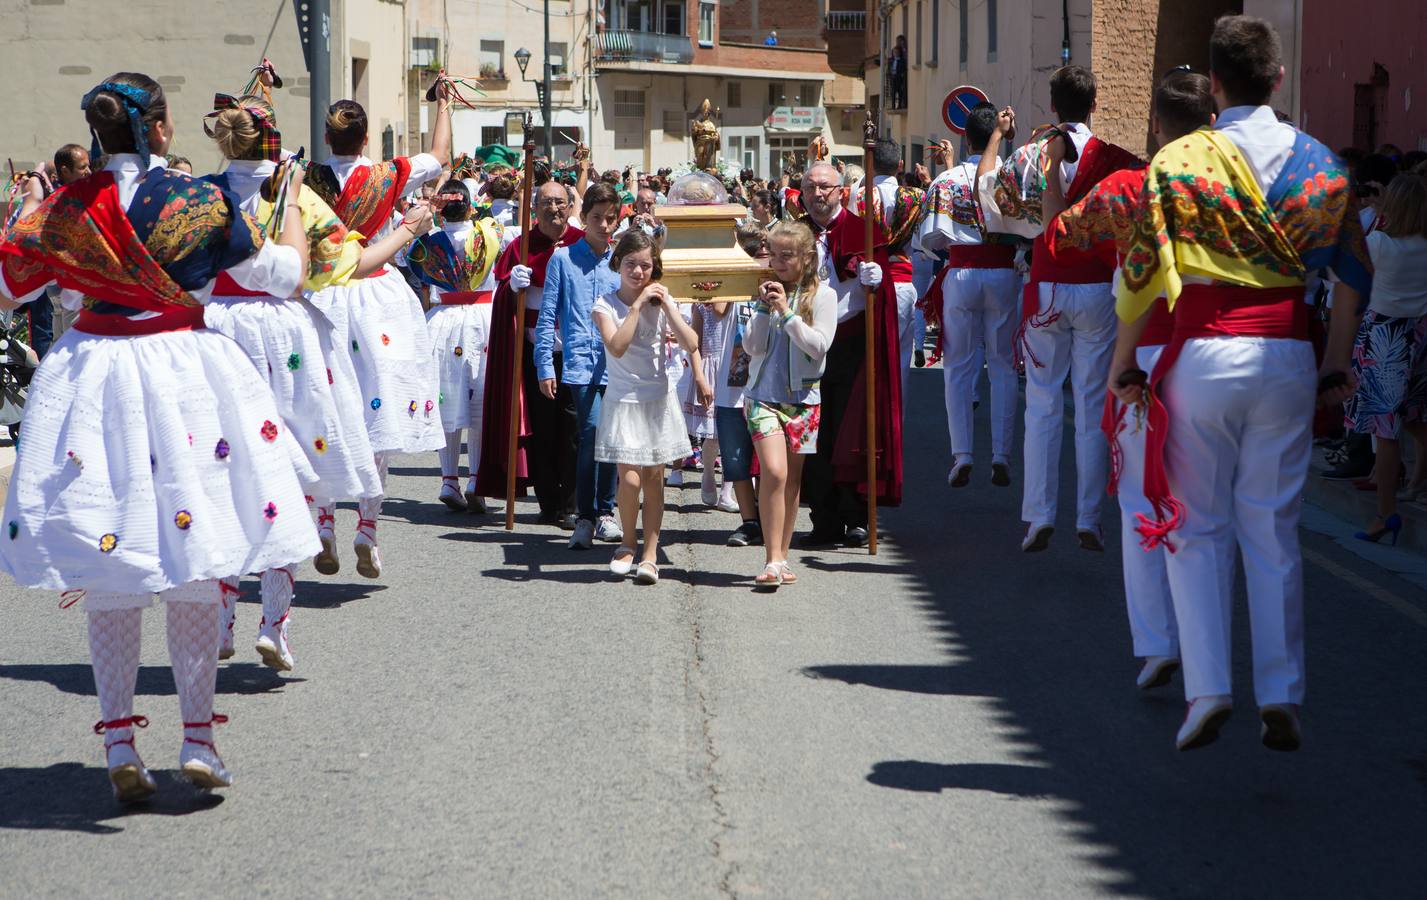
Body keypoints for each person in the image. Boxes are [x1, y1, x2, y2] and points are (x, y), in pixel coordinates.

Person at [0, 73, 314, 800]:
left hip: (92, 379)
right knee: (195, 564)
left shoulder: (66, 206)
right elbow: (284, 276)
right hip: (182, 379)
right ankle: (198, 739)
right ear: (164, 130)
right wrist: (290, 201)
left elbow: (12, 289)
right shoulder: (198, 201)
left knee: (114, 566)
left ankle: (119, 747)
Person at [1109, 15, 1372, 752]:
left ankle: (1207, 691)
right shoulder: (1324, 165)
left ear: (1215, 83)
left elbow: (1137, 277)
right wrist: (1335, 363)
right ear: (1278, 79)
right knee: (1273, 526)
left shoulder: (1178, 160)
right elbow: (1353, 277)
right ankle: (1281, 690)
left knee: (1196, 527)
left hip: (1202, 355)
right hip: (1288, 355)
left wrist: (1122, 363)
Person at [202, 91, 415, 670]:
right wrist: (405, 233)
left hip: (216, 330)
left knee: (224, 474)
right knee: (287, 473)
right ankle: (274, 623)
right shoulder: (294, 197)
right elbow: (351, 266)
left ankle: (222, 616)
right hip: (283, 335)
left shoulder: (203, 195)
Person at [1046, 68, 1216, 691]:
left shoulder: (1126, 188)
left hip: (1143, 354)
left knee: (1140, 498)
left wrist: (1051, 179)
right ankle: (1206, 650)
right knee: (1207, 506)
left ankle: (1157, 642)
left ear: (1155, 125)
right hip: (1214, 353)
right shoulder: (1231, 188)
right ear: (1213, 125)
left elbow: (1058, 240)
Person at [976, 66, 1144, 553]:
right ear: (1094, 104)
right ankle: (1089, 517)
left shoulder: (1030, 154)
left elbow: (989, 198)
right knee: (1093, 404)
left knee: (1044, 403)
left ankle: (1038, 516)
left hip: (1047, 285)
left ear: (1052, 106)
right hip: (1098, 289)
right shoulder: (1115, 159)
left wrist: (996, 142)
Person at [307, 94, 450, 578]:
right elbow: (441, 157)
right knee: (379, 411)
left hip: (325, 295)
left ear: (327, 137)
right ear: (365, 138)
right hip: (375, 295)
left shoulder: (306, 178)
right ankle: (367, 526)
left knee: (324, 410)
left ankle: (324, 521)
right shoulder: (390, 174)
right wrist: (444, 104)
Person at [918, 108, 1024, 490]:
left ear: (966, 139)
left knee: (958, 367)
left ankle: (962, 454)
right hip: (1002, 274)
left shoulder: (946, 180)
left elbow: (930, 241)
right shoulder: (1011, 177)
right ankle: (1001, 454)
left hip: (961, 275)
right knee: (1003, 365)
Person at [797, 162, 902, 548]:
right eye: (810, 188)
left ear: (842, 191)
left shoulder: (865, 232)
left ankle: (856, 514)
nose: (817, 194)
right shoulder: (796, 233)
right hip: (807, 344)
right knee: (816, 433)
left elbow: (885, 287)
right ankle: (823, 519)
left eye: (825, 187)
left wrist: (879, 278)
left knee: (854, 428)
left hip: (854, 340)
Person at [474, 178, 584, 526]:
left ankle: (571, 504)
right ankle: (549, 503)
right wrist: (510, 286)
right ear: (534, 209)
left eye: (560, 202)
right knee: (542, 432)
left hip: (575, 354)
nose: (554, 209)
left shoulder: (583, 244)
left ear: (570, 207)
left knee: (573, 431)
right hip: (536, 355)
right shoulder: (521, 246)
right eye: (546, 203)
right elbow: (501, 294)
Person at [592, 231, 700, 585]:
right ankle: (627, 542)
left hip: (657, 398)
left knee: (654, 477)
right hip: (623, 399)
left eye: (645, 266)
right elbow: (618, 346)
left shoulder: (662, 303)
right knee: (630, 478)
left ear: (655, 268)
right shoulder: (605, 304)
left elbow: (691, 343)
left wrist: (668, 305)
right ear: (617, 264)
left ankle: (651, 554)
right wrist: (636, 307)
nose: (638, 272)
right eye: (630, 265)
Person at [406, 180, 509, 514]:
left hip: (444, 320)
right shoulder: (489, 234)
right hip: (483, 319)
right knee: (480, 400)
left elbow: (411, 263)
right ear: (469, 206)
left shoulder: (427, 244)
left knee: (447, 400)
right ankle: (476, 478)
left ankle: (449, 478)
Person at [745, 221, 837, 588]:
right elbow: (752, 347)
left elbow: (819, 346)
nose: (778, 263)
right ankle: (771, 558)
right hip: (761, 397)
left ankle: (781, 558)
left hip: (804, 399)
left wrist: (786, 311)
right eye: (774, 255)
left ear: (807, 257)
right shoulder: (764, 293)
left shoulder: (824, 296)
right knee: (775, 472)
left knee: (793, 480)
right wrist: (765, 310)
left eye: (787, 256)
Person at [536, 182, 625, 549]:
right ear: (583, 218)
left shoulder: (623, 260)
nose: (604, 226)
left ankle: (605, 511)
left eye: (611, 219)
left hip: (619, 364)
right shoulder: (563, 259)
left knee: (613, 438)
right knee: (591, 434)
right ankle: (588, 516)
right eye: (597, 218)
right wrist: (544, 365)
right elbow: (548, 317)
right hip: (580, 364)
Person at [1343, 173, 1427, 541]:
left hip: (1383, 335)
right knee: (1413, 418)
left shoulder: (1377, 243)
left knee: (1385, 430)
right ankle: (1408, 490)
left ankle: (1385, 513)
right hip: (1419, 336)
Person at [856, 138, 927, 400]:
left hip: (864, 283)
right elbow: (923, 242)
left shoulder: (857, 195)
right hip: (902, 282)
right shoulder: (917, 197)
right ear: (900, 165)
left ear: (869, 164)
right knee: (899, 363)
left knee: (865, 360)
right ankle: (894, 430)